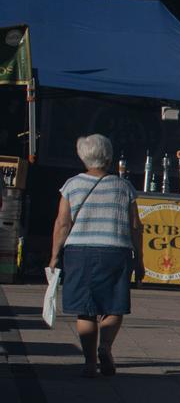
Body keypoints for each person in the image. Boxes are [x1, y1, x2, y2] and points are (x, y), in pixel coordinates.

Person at [46, 134, 141, 377]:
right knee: (113, 307)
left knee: (86, 310)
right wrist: (139, 259)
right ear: (108, 156)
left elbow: (62, 223)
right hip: (116, 251)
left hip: (80, 252)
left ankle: (89, 362)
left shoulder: (72, 185)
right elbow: (135, 226)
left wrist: (54, 256)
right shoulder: (124, 187)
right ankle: (105, 347)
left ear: (82, 156)